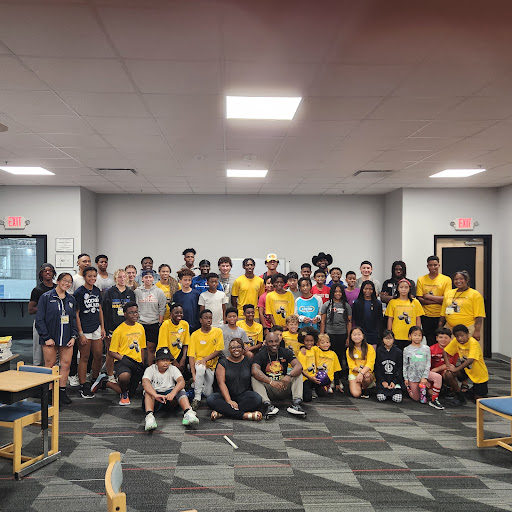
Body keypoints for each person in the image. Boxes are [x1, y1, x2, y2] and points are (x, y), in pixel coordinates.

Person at [35, 272, 77, 405]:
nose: (67, 283)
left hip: (67, 338)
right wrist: (46, 337)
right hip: (50, 338)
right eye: (64, 280)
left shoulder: (71, 299)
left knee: (66, 364)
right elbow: (39, 319)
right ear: (58, 281)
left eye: (69, 282)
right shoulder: (46, 297)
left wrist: (74, 336)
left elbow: (73, 319)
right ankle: (48, 393)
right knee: (50, 365)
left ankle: (62, 391)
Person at [251, 332, 306, 418]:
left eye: (276, 341)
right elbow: (255, 370)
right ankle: (267, 405)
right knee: (254, 377)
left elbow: (299, 366)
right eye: (271, 341)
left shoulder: (286, 352)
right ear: (266, 343)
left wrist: (289, 375)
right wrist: (271, 382)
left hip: (283, 385)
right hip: (269, 388)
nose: (274, 344)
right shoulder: (260, 354)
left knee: (298, 374)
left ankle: (296, 404)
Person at [142, 347, 199, 431]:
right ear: (156, 361)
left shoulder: (173, 368)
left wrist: (173, 393)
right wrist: (155, 395)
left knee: (180, 389)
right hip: (155, 397)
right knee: (148, 392)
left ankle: (188, 412)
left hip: (169, 396)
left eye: (167, 360)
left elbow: (181, 381)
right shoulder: (150, 369)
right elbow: (145, 382)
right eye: (162, 360)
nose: (166, 362)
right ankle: (149, 416)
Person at [206, 339, 263, 421]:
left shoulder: (248, 361)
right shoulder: (222, 363)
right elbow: (221, 383)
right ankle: (244, 415)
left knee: (257, 399)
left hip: (243, 395)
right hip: (224, 396)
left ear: (243, 349)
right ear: (229, 350)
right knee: (211, 399)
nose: (236, 349)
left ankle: (223, 412)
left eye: (239, 347)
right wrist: (229, 400)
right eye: (233, 347)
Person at [74, 266, 105, 399]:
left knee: (98, 355)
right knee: (85, 357)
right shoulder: (79, 292)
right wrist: (80, 333)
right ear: (84, 277)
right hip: (84, 329)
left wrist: (102, 327)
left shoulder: (97, 290)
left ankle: (94, 380)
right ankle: (83, 385)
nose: (92, 278)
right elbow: (76, 314)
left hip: (96, 327)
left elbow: (100, 309)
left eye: (94, 276)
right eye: (89, 276)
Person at [102, 269, 136, 384]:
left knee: (125, 351)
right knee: (111, 352)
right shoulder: (110, 292)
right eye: (119, 277)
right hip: (112, 327)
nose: (122, 279)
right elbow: (105, 312)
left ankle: (124, 373)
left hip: (127, 328)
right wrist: (106, 329)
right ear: (115, 278)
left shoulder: (130, 293)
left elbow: (133, 311)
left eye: (124, 277)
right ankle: (110, 375)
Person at [109, 302, 146, 405]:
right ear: (125, 314)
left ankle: (105, 383)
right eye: (131, 313)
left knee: (133, 392)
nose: (135, 315)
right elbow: (111, 351)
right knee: (124, 377)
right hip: (123, 361)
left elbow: (142, 347)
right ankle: (123, 393)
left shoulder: (140, 327)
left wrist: (142, 363)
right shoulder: (118, 330)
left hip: (137, 362)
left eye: (136, 312)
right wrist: (124, 359)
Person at [443, 324, 489, 402]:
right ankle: (459, 395)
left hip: (478, 373)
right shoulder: (456, 341)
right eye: (457, 336)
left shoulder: (473, 343)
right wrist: (448, 365)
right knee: (448, 374)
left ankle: (472, 392)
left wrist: (456, 369)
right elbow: (445, 351)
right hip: (465, 370)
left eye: (462, 335)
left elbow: (470, 360)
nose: (459, 338)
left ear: (467, 334)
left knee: (478, 400)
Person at [188, 309, 224, 410]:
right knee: (200, 369)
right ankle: (197, 398)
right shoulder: (195, 334)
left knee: (208, 394)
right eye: (206, 318)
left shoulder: (218, 332)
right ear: (200, 320)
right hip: (199, 362)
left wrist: (205, 359)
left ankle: (196, 385)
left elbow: (218, 350)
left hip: (212, 365)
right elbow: (191, 355)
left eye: (210, 318)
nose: (208, 320)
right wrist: (193, 374)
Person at [403, 326, 444, 409]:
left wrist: (425, 377)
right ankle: (409, 388)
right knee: (416, 398)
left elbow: (428, 363)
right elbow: (405, 365)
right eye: (415, 335)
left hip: (425, 373)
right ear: (410, 336)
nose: (417, 337)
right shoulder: (406, 349)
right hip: (413, 375)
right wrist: (406, 378)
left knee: (438, 377)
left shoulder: (426, 348)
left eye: (419, 335)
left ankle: (434, 399)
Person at [416, 256, 453, 346]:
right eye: (431, 265)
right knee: (429, 340)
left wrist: (429, 297)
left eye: (435, 265)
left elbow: (447, 299)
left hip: (441, 315)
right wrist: (438, 300)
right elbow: (420, 299)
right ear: (427, 266)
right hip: (426, 315)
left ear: (439, 265)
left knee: (442, 339)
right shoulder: (421, 279)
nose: (433, 267)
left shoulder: (446, 279)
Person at [439, 270, 485, 341]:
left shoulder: (475, 294)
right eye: (456, 279)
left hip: (467, 329)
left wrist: (477, 331)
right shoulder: (448, 293)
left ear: (466, 280)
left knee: (464, 347)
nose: (458, 281)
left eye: (461, 279)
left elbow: (479, 315)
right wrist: (440, 327)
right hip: (449, 328)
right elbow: (443, 313)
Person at [68, 253, 92, 387]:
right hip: (76, 317)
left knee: (88, 350)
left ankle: (86, 372)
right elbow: (70, 297)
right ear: (78, 263)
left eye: (88, 261)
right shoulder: (75, 279)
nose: (86, 263)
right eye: (84, 261)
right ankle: (72, 374)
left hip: (89, 319)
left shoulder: (93, 278)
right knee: (75, 349)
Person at [134, 269, 166, 366]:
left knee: (151, 348)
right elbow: (134, 307)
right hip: (140, 323)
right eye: (146, 277)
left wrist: (159, 322)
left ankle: (150, 367)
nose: (148, 279)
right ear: (142, 279)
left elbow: (162, 308)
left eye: (150, 277)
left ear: (153, 278)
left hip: (154, 323)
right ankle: (140, 368)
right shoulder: (137, 292)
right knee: (140, 348)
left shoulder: (159, 292)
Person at [320, 283, 352, 379]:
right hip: (329, 334)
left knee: (339, 356)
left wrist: (348, 337)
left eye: (340, 292)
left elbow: (349, 322)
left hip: (342, 334)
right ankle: (331, 378)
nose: (338, 293)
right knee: (329, 356)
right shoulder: (327, 305)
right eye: (336, 291)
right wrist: (321, 335)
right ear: (332, 293)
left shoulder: (346, 306)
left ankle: (339, 379)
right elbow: (323, 321)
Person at [29, 263, 56, 366]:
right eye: (45, 271)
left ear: (53, 273)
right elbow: (31, 309)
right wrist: (46, 309)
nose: (48, 272)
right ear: (41, 274)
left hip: (54, 323)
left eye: (50, 270)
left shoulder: (57, 288)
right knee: (38, 350)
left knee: (53, 348)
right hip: (40, 323)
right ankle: (37, 370)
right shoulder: (37, 290)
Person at [385, 279, 424, 351]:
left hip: (411, 335)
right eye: (401, 287)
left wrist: (417, 332)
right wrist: (389, 333)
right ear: (397, 289)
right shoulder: (392, 302)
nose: (403, 289)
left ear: (409, 289)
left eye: (406, 287)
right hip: (397, 335)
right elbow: (390, 318)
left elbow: (418, 318)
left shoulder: (415, 302)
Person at [157, 302, 190, 374]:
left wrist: (183, 359)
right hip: (166, 353)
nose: (179, 315)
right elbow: (164, 347)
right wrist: (174, 362)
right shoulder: (165, 324)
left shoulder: (185, 324)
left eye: (181, 313)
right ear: (171, 314)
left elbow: (186, 344)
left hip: (179, 353)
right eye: (176, 313)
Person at [430, 327, 460, 403]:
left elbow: (451, 364)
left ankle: (450, 389)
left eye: (446, 338)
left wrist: (436, 369)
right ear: (436, 338)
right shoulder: (431, 349)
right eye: (440, 337)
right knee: (430, 394)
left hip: (444, 371)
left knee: (448, 372)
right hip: (433, 373)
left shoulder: (454, 349)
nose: (443, 340)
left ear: (450, 339)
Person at [346, 327, 376, 399]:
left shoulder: (369, 347)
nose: (357, 336)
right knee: (356, 394)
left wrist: (362, 373)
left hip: (366, 373)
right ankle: (360, 386)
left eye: (359, 334)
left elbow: (370, 363)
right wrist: (360, 372)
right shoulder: (349, 350)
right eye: (354, 335)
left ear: (363, 335)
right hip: (354, 373)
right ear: (351, 337)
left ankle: (365, 388)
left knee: (366, 377)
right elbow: (351, 366)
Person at [374, 330, 403, 403]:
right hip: (383, 381)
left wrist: (394, 381)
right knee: (381, 398)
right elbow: (377, 368)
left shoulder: (398, 352)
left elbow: (399, 368)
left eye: (390, 338)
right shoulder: (379, 351)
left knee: (397, 399)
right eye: (386, 338)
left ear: (393, 339)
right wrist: (382, 381)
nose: (388, 341)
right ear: (382, 339)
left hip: (395, 381)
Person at [351, 281, 383, 346]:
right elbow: (354, 318)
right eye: (366, 289)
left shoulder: (378, 303)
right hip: (361, 333)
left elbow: (380, 319)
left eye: (370, 289)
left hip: (374, 333)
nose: (368, 291)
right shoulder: (357, 303)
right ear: (362, 289)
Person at [174, 268, 201, 333]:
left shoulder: (196, 294)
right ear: (180, 281)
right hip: (181, 325)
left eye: (189, 280)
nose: (187, 282)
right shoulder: (177, 295)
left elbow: (199, 309)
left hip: (195, 325)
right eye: (185, 280)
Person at [297, 327, 320, 401]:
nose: (309, 343)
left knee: (322, 393)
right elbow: (301, 369)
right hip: (306, 378)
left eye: (311, 340)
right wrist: (310, 378)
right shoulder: (302, 353)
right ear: (303, 340)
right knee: (307, 398)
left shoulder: (314, 349)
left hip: (314, 376)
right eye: (307, 341)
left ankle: (314, 389)